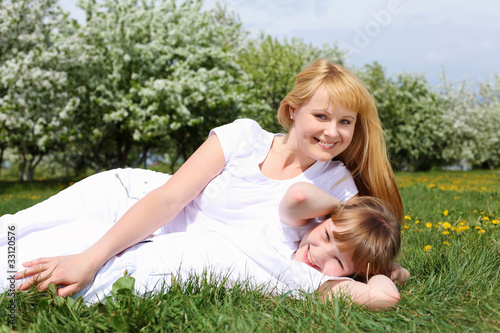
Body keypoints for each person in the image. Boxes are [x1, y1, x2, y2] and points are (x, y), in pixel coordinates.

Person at [0, 58, 405, 299]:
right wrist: (92, 257)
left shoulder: (338, 183)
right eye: (321, 116)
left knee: (29, 261)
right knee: (15, 230)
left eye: (346, 122)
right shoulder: (243, 138)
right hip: (132, 198)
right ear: (291, 111)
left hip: (171, 249)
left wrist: (383, 272)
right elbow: (167, 199)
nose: (333, 132)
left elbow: (349, 247)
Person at [9, 182, 402, 310]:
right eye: (328, 237)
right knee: (35, 236)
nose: (320, 255)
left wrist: (382, 275)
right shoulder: (292, 227)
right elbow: (299, 196)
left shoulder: (308, 281)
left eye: (338, 260)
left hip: (155, 266)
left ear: (352, 275)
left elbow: (384, 299)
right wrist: (340, 214)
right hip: (154, 243)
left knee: (29, 266)